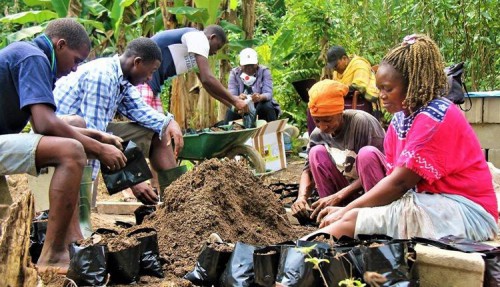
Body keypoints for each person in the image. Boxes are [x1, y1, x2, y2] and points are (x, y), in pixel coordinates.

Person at [306, 34, 498, 242]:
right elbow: (392, 180)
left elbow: (399, 184)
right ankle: (311, 252)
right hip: (429, 203)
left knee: (354, 219)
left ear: (413, 85)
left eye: (388, 89)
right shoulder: (400, 120)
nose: (381, 95)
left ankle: (306, 255)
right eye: (379, 89)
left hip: (468, 212)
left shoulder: (436, 116)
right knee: (356, 218)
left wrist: (348, 209)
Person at [0, 18, 126, 272]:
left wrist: (98, 136)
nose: (74, 69)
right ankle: (54, 253)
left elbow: (44, 122)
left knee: (75, 123)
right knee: (71, 152)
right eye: (77, 60)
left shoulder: (30, 54)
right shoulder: (33, 57)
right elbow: (45, 125)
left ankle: (72, 237)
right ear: (60, 45)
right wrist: (98, 150)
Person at [54, 37, 183, 204]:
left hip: (91, 129)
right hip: (63, 133)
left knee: (159, 134)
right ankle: (82, 204)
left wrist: (169, 123)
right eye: (151, 71)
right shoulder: (102, 76)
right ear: (137, 62)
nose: (151, 78)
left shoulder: (122, 79)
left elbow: (140, 110)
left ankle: (178, 203)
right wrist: (132, 179)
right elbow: (96, 133)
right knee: (85, 126)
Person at [291, 79, 385, 222]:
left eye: (327, 120)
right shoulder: (318, 134)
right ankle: (329, 214)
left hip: (374, 193)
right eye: (317, 121)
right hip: (346, 196)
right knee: (316, 153)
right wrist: (301, 198)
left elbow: (383, 169)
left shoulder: (362, 123)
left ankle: (375, 217)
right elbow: (307, 171)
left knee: (367, 154)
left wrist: (339, 195)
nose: (322, 127)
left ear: (340, 112)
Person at [139, 25, 248, 114]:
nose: (215, 52)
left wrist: (233, 105)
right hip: (141, 75)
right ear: (212, 37)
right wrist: (235, 100)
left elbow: (208, 87)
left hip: (151, 84)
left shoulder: (196, 52)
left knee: (156, 128)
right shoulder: (198, 38)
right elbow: (207, 78)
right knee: (145, 125)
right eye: (217, 47)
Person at [224, 48, 280, 123]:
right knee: (232, 110)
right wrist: (239, 97)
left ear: (257, 63)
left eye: (252, 65)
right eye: (246, 65)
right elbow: (232, 95)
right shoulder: (234, 73)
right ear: (240, 65)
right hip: (242, 105)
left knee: (266, 106)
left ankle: (270, 131)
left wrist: (260, 97)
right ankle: (229, 132)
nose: (249, 68)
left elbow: (268, 93)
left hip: (259, 105)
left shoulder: (264, 71)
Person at [326, 45, 380, 115]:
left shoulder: (359, 64)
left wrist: (338, 90)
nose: (334, 69)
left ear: (344, 59)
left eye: (336, 66)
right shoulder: (336, 73)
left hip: (361, 101)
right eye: (333, 67)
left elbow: (360, 86)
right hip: (343, 101)